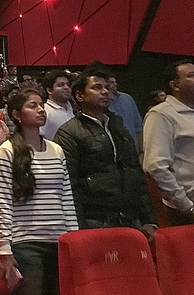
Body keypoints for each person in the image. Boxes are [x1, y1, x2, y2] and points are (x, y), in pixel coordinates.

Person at [0, 89, 78, 295]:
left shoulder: (56, 150)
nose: (41, 110)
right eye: (32, 106)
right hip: (26, 243)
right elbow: (3, 202)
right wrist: (4, 247)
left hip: (59, 240)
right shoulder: (7, 151)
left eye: (41, 105)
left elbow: (66, 197)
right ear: (16, 115)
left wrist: (75, 238)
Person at [53, 69, 157, 239]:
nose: (105, 92)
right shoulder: (69, 132)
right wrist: (77, 228)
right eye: (97, 87)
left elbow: (135, 174)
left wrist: (149, 220)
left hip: (129, 218)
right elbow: (68, 185)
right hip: (94, 219)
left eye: (107, 88)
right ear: (80, 96)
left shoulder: (118, 127)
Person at [143, 60, 194, 226]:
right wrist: (186, 206)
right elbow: (155, 166)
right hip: (184, 211)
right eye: (191, 76)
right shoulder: (162, 114)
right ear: (175, 85)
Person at [39, 70, 74, 140]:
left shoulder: (70, 108)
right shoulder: (44, 111)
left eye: (68, 84)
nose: (66, 87)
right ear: (49, 90)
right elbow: (39, 137)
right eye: (61, 85)